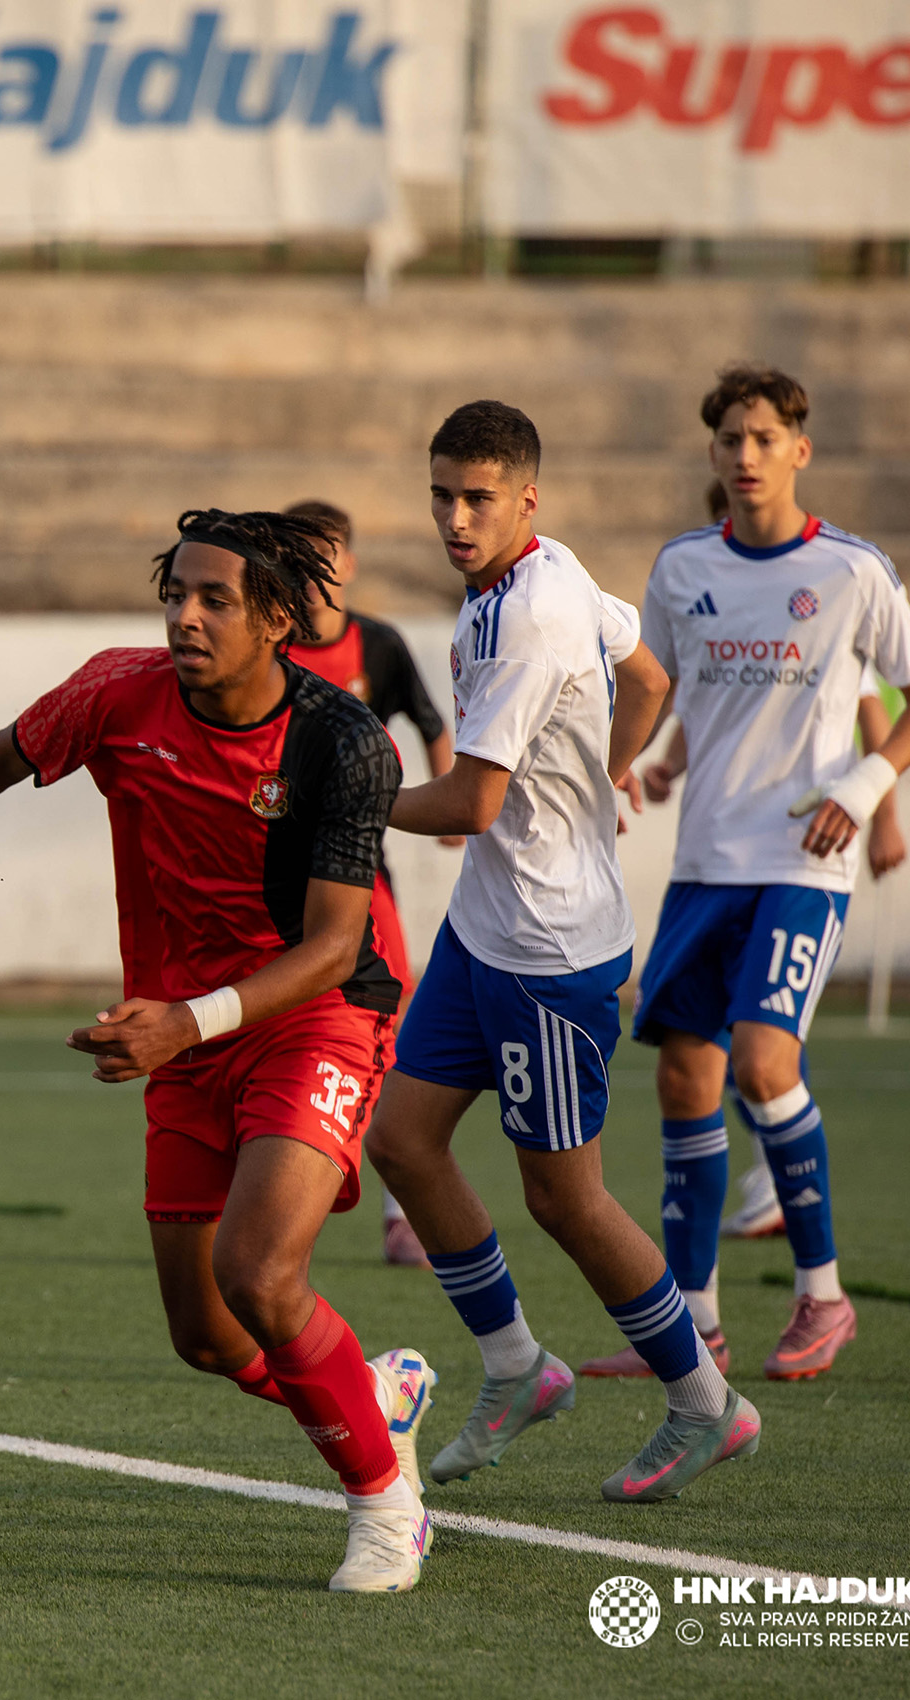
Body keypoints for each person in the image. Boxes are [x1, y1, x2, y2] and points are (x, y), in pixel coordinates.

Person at [0, 510, 437, 1593]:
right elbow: (9, 751)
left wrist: (188, 1020)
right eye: (176, 594)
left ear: (276, 619)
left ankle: (385, 1507)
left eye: (214, 599)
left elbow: (334, 944)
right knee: (208, 1334)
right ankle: (368, 1389)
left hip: (316, 1012)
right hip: (185, 1031)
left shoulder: (344, 742)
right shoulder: (118, 691)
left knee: (258, 1268)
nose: (185, 616)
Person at [365, 400, 760, 1505]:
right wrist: (610, 768)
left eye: (477, 496)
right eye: (441, 491)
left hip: (548, 949)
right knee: (400, 1139)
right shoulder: (542, 573)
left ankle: (703, 1402)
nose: (454, 515)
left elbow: (474, 798)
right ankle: (517, 1368)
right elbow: (646, 678)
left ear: (526, 497)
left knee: (567, 1198)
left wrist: (346, 806)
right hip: (485, 928)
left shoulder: (535, 610)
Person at [589, 366, 910, 1383]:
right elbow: (655, 688)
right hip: (706, 863)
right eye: (728, 440)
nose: (744, 455)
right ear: (712, 455)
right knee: (683, 1077)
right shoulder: (680, 569)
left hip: (803, 862)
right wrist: (620, 764)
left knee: (760, 1063)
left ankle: (823, 1297)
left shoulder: (852, 572)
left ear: (800, 447)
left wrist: (870, 786)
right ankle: (692, 1325)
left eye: (763, 436)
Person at [282, 499, 456, 1268]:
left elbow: (430, 719)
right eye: (298, 557)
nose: (314, 572)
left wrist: (449, 798)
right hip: (272, 868)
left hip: (355, 866)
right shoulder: (268, 644)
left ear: (348, 564)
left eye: (326, 556)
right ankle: (270, 1197)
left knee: (389, 1018)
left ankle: (400, 1210)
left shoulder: (377, 645)